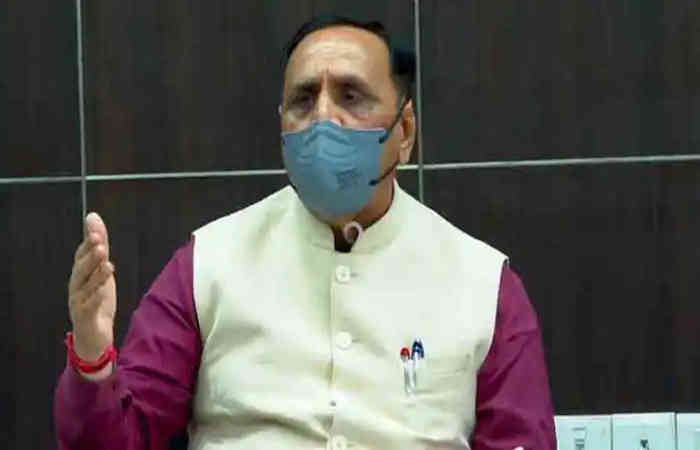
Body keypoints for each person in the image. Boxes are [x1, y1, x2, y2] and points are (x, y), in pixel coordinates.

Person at [54, 15, 556, 450]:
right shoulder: (207, 265)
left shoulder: (484, 286)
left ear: (404, 132)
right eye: (303, 99)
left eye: (351, 96)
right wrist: (94, 358)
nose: (323, 119)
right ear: (281, 127)